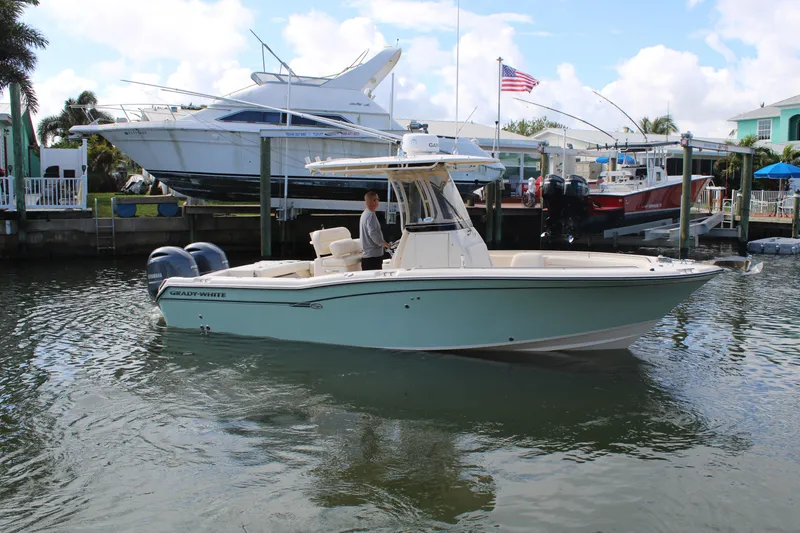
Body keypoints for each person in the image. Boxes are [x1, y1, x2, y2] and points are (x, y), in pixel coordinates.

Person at [360, 190, 388, 270]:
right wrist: (383, 243)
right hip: (372, 257)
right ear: (374, 201)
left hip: (368, 256)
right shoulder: (370, 215)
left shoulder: (365, 214)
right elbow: (372, 233)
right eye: (377, 199)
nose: (378, 201)